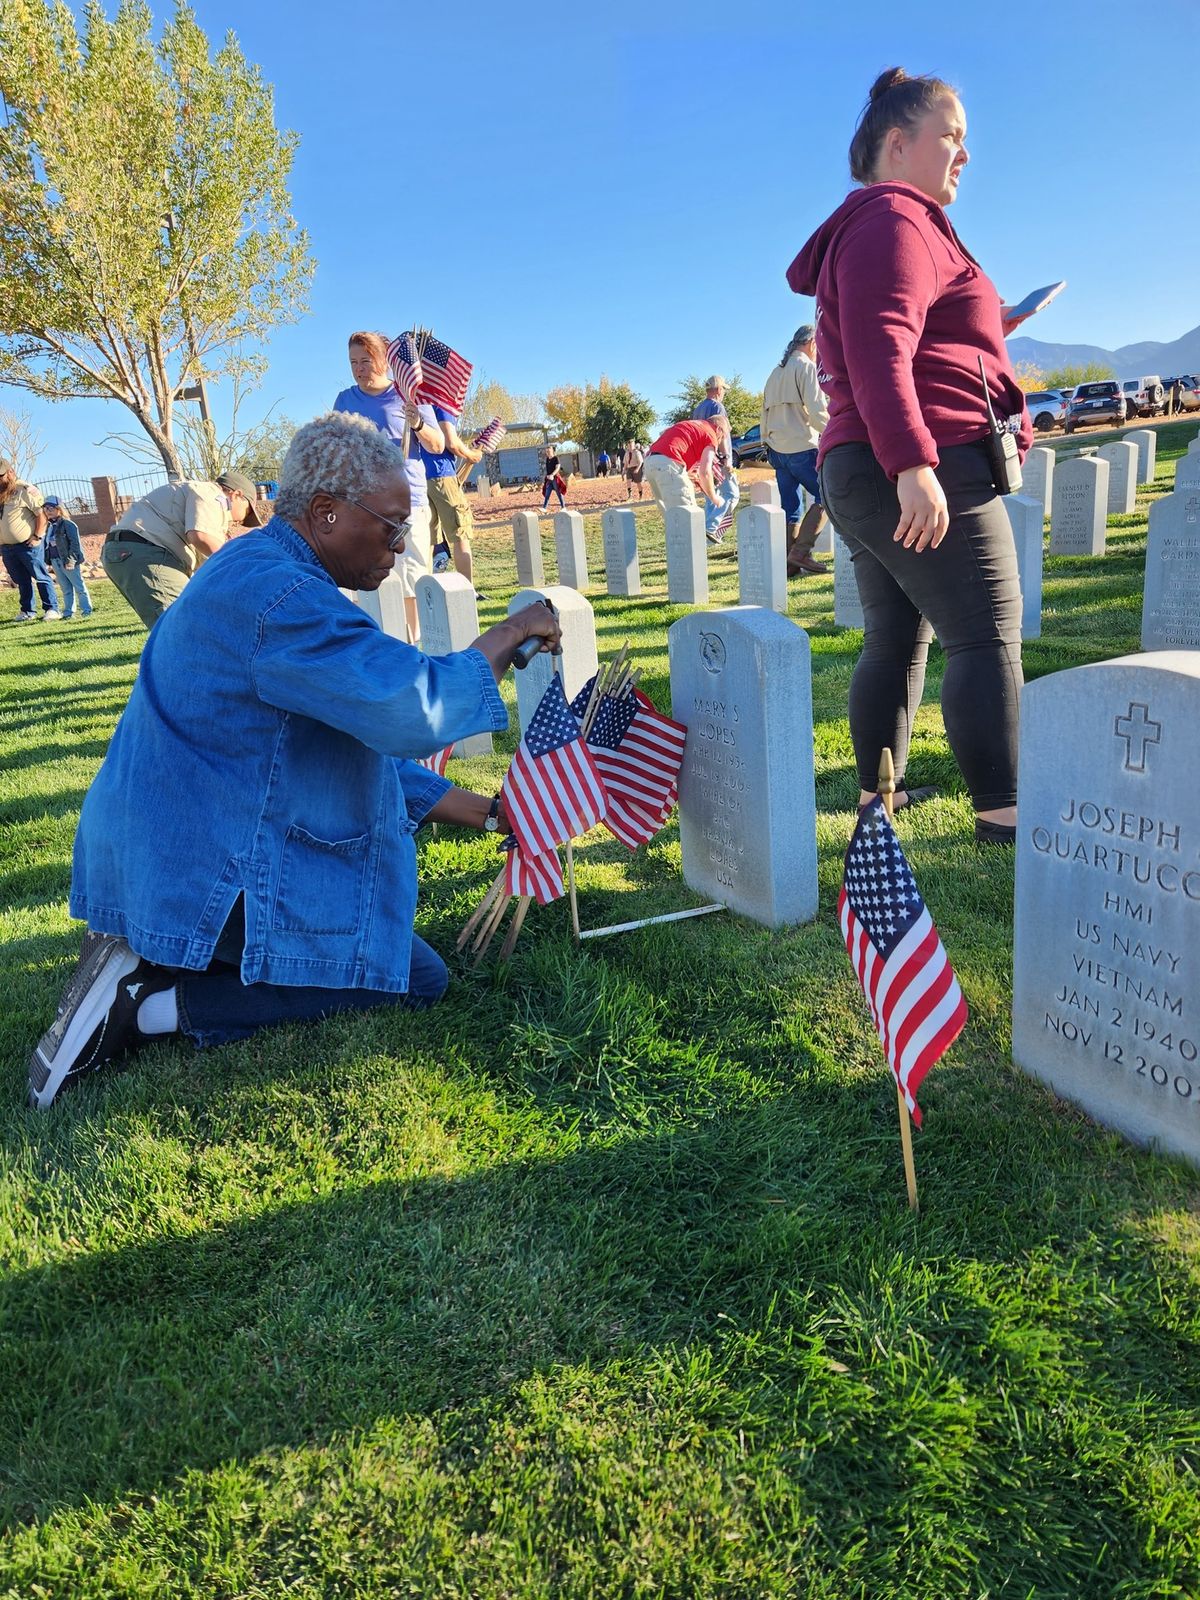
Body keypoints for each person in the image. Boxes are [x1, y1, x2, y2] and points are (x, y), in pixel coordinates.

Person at [28, 411, 562, 1111]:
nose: (400, 549)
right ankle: (151, 1003)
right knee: (413, 976)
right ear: (326, 512)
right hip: (198, 863)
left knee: (384, 944)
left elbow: (335, 747)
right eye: (391, 526)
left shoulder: (253, 568)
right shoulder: (283, 599)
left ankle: (157, 954)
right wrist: (515, 629)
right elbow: (410, 710)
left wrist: (492, 815)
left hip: (154, 846)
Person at [786, 67, 1031, 845]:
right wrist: (914, 465)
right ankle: (1005, 817)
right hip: (916, 460)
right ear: (899, 144)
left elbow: (912, 341)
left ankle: (876, 803)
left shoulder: (888, 223)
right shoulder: (895, 218)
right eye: (952, 137)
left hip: (870, 459)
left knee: (897, 636)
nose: (964, 155)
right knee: (986, 632)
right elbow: (879, 347)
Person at [333, 330, 442, 640]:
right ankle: (383, 641)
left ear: (384, 360)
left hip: (407, 503)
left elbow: (437, 445)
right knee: (372, 579)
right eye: (353, 362)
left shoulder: (409, 394)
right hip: (364, 505)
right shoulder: (345, 401)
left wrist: (418, 423)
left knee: (412, 576)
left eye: (366, 360)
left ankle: (414, 642)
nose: (359, 368)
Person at [102, 470, 263, 627]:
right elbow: (200, 536)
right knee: (186, 628)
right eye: (247, 512)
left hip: (125, 551)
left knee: (176, 627)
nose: (240, 521)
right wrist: (242, 566)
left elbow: (203, 559)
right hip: (147, 552)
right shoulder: (212, 493)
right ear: (237, 495)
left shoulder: (190, 495)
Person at [761, 326, 831, 575]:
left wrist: (766, 443)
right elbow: (816, 410)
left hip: (777, 449)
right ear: (812, 343)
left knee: (790, 506)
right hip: (801, 446)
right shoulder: (806, 367)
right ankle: (801, 552)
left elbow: (764, 413)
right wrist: (833, 431)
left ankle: (789, 566)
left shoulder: (775, 373)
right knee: (827, 496)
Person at [421, 406, 482, 584]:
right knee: (460, 535)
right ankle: (467, 590)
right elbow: (452, 442)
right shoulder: (440, 404)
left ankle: (428, 590)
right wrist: (472, 454)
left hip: (418, 477)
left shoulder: (417, 402)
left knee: (428, 541)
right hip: (442, 475)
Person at [642, 418, 724, 540]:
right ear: (719, 429)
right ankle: (693, 551)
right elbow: (705, 472)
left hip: (650, 463)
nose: (721, 440)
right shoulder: (711, 433)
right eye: (723, 436)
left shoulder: (691, 425)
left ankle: (680, 552)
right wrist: (714, 497)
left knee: (673, 519)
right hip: (668, 465)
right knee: (688, 517)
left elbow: (669, 440)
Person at [0, 460, 60, 621]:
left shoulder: (24, 489)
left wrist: (37, 536)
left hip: (28, 544)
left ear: (10, 472)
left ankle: (51, 608)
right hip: (6, 547)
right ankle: (27, 611)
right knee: (21, 580)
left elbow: (41, 514)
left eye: (1, 476)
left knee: (40, 576)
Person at [43, 497, 93, 617]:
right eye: (45, 508)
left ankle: (86, 611)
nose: (48, 511)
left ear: (59, 509)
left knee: (79, 587)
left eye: (51, 508)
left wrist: (71, 561)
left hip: (67, 560)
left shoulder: (68, 524)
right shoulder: (49, 526)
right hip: (55, 560)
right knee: (65, 588)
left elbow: (75, 544)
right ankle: (68, 612)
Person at [691, 374, 733, 461]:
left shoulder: (697, 409)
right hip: (718, 458)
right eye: (723, 389)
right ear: (719, 389)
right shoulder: (718, 407)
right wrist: (726, 458)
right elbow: (721, 434)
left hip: (703, 458)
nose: (724, 392)